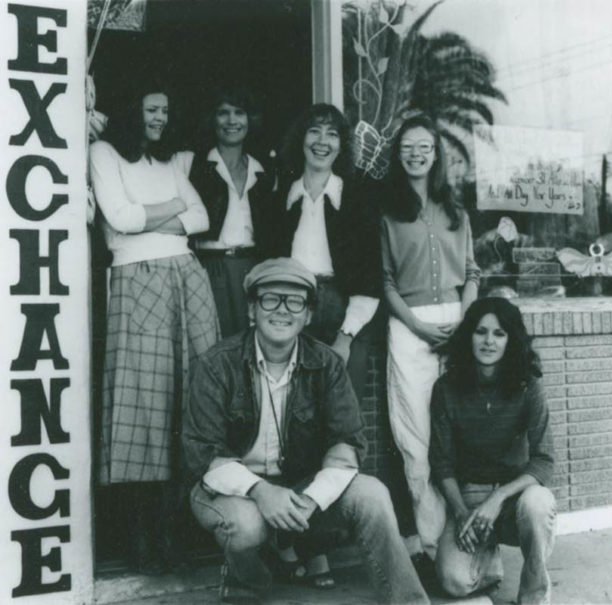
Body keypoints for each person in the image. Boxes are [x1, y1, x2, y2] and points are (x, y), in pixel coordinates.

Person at [183, 257, 428, 605]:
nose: (282, 311)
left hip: (299, 489)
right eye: (270, 299)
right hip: (232, 491)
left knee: (371, 494)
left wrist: (312, 500)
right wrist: (261, 491)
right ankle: (249, 584)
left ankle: (409, 601)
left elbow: (348, 443)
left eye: (294, 301)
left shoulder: (327, 364)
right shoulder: (217, 364)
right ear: (252, 309)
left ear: (308, 315)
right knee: (245, 526)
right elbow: (203, 452)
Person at [89, 77, 219, 573]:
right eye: (150, 109)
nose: (159, 118)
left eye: (164, 110)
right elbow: (119, 219)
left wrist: (151, 218)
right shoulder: (104, 153)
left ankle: (173, 533)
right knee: (141, 407)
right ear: (131, 110)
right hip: (137, 280)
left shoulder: (169, 162)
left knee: (189, 401)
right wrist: (171, 211)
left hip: (187, 277)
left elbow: (203, 217)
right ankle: (139, 538)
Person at [380, 114, 480, 564]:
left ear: (436, 154)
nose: (416, 153)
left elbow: (472, 273)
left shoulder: (456, 210)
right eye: (408, 146)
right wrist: (418, 327)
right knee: (417, 438)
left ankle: (467, 542)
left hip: (458, 326)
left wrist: (464, 324)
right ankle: (431, 542)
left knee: (457, 436)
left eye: (425, 146)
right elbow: (385, 282)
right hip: (409, 326)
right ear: (398, 153)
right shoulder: (387, 209)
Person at [429, 297, 556, 604]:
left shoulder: (528, 386)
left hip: (514, 497)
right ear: (468, 335)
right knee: (454, 582)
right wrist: (460, 513)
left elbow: (543, 460)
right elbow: (442, 462)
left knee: (539, 504)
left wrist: (498, 498)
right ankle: (489, 566)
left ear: (511, 340)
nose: (488, 341)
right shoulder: (446, 388)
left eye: (499, 334)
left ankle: (534, 596)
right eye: (480, 331)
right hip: (469, 498)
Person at [266, 103, 381, 404]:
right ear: (300, 139)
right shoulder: (282, 198)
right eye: (314, 131)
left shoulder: (356, 197)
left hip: (344, 312)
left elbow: (370, 276)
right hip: (293, 306)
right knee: (294, 406)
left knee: (342, 409)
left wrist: (345, 337)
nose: (322, 141)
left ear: (341, 145)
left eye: (332, 134)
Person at [175, 83, 275, 337]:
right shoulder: (191, 163)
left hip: (253, 268)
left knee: (252, 344)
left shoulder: (263, 170)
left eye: (239, 112)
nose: (232, 120)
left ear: (250, 119)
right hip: (209, 267)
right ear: (212, 118)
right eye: (223, 112)